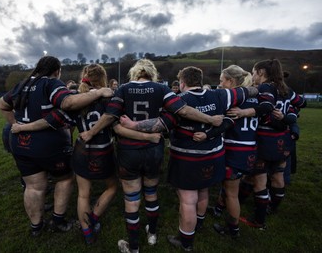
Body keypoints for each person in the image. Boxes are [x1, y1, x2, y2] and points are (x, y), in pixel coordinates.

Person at [80, 59, 224, 253]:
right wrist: (210, 119)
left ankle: (134, 247)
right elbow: (183, 110)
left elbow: (110, 116)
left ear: (135, 72)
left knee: (131, 199)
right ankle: (152, 235)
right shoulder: (160, 89)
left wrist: (90, 132)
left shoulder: (124, 88)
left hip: (129, 151)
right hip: (153, 149)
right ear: (152, 72)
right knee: (151, 193)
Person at [10, 64, 162, 244]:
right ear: (103, 78)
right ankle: (94, 219)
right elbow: (117, 127)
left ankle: (87, 233)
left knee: (83, 194)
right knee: (112, 187)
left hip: (81, 151)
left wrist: (23, 127)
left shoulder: (76, 99)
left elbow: (52, 120)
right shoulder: (109, 98)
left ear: (84, 77)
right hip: (103, 151)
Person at [119, 66, 258, 251]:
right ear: (200, 81)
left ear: (182, 82)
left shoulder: (179, 101)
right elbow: (250, 91)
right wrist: (256, 92)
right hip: (214, 156)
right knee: (203, 191)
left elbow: (159, 125)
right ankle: (198, 225)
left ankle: (185, 241)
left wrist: (133, 124)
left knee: (188, 200)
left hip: (188, 159)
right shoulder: (220, 95)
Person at [0, 56, 113, 237]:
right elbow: (67, 103)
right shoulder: (51, 83)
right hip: (48, 143)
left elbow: (2, 104)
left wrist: (16, 124)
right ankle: (58, 221)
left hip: (21, 143)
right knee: (65, 179)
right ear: (57, 70)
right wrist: (97, 93)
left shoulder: (22, 84)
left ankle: (36, 227)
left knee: (33, 186)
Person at [236, 58, 290, 229]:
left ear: (261, 73)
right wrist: (285, 122)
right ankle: (272, 208)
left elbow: (266, 107)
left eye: (253, 72)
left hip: (265, 139)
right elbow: (298, 107)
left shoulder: (265, 88)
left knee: (259, 179)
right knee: (277, 175)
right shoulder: (285, 89)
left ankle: (259, 220)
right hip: (282, 139)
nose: (252, 75)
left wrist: (244, 112)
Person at [210, 65, 259, 239]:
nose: (220, 84)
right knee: (231, 188)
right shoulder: (255, 97)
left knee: (231, 193)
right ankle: (218, 210)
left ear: (231, 81)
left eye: (222, 80)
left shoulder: (233, 99)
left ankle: (233, 230)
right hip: (250, 148)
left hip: (235, 149)